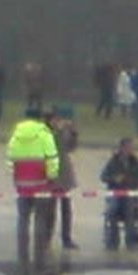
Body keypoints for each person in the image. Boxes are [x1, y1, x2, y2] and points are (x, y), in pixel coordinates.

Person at [7, 107, 60, 275]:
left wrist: (16, 177)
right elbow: (52, 158)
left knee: (22, 221)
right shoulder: (45, 134)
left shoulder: (16, 135)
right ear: (39, 119)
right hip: (41, 184)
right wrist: (51, 176)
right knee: (40, 222)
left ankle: (22, 260)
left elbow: (9, 160)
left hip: (22, 186)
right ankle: (39, 261)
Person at [100, 138, 138, 250]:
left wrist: (137, 182)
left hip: (131, 194)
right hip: (116, 193)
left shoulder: (137, 162)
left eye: (131, 148)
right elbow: (103, 176)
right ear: (121, 148)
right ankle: (113, 241)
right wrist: (113, 179)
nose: (129, 150)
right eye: (127, 148)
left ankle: (130, 241)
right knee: (112, 210)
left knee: (130, 210)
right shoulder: (113, 161)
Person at [48, 107, 80, 251]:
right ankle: (47, 238)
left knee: (66, 208)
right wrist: (61, 132)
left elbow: (71, 147)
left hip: (64, 175)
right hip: (51, 175)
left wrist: (73, 133)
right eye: (55, 120)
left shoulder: (62, 133)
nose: (57, 122)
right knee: (49, 210)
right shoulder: (47, 134)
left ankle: (66, 238)